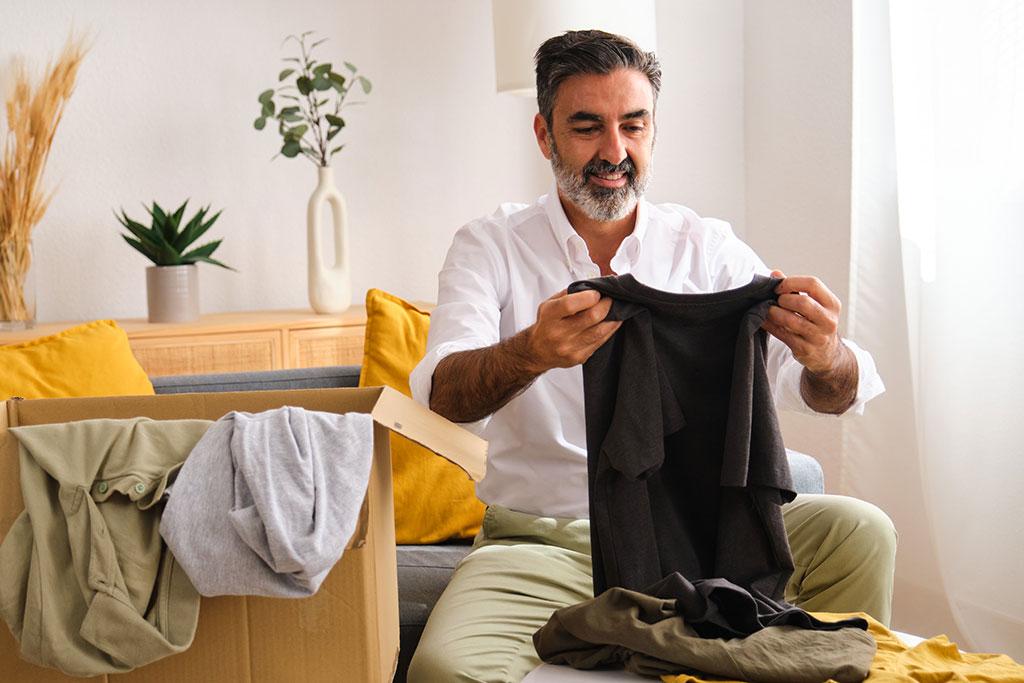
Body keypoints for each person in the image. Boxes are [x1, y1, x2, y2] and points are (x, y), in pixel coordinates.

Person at [407, 29, 896, 683]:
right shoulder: (490, 246)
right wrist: (533, 351)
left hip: (700, 535)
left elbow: (830, 390)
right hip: (545, 543)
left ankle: (806, 665)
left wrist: (826, 354)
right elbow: (444, 397)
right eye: (588, 127)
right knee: (445, 669)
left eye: (634, 126)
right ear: (545, 135)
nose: (616, 151)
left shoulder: (705, 249)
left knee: (859, 528)